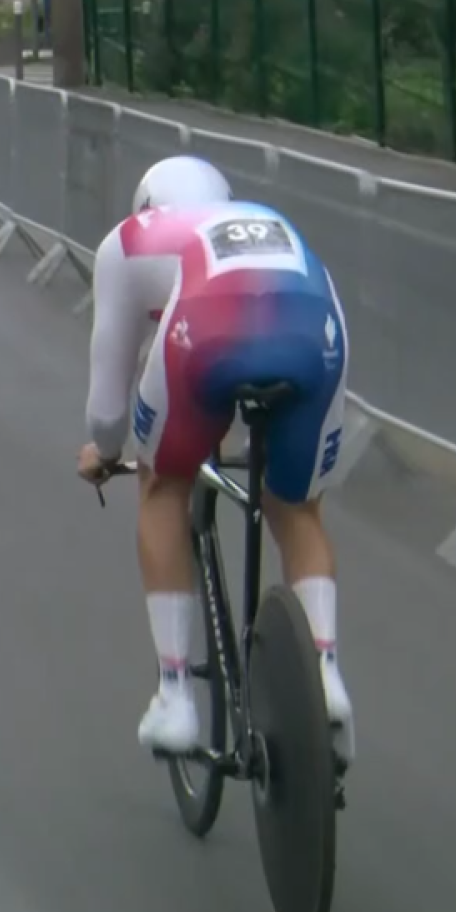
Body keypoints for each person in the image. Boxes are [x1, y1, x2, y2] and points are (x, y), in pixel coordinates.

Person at [76, 156, 355, 767]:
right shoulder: (265, 221)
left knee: (162, 486)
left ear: (147, 202)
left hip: (205, 334)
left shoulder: (130, 241)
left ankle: (176, 693)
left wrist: (107, 453)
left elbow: (106, 408)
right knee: (299, 509)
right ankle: (327, 673)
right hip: (315, 332)